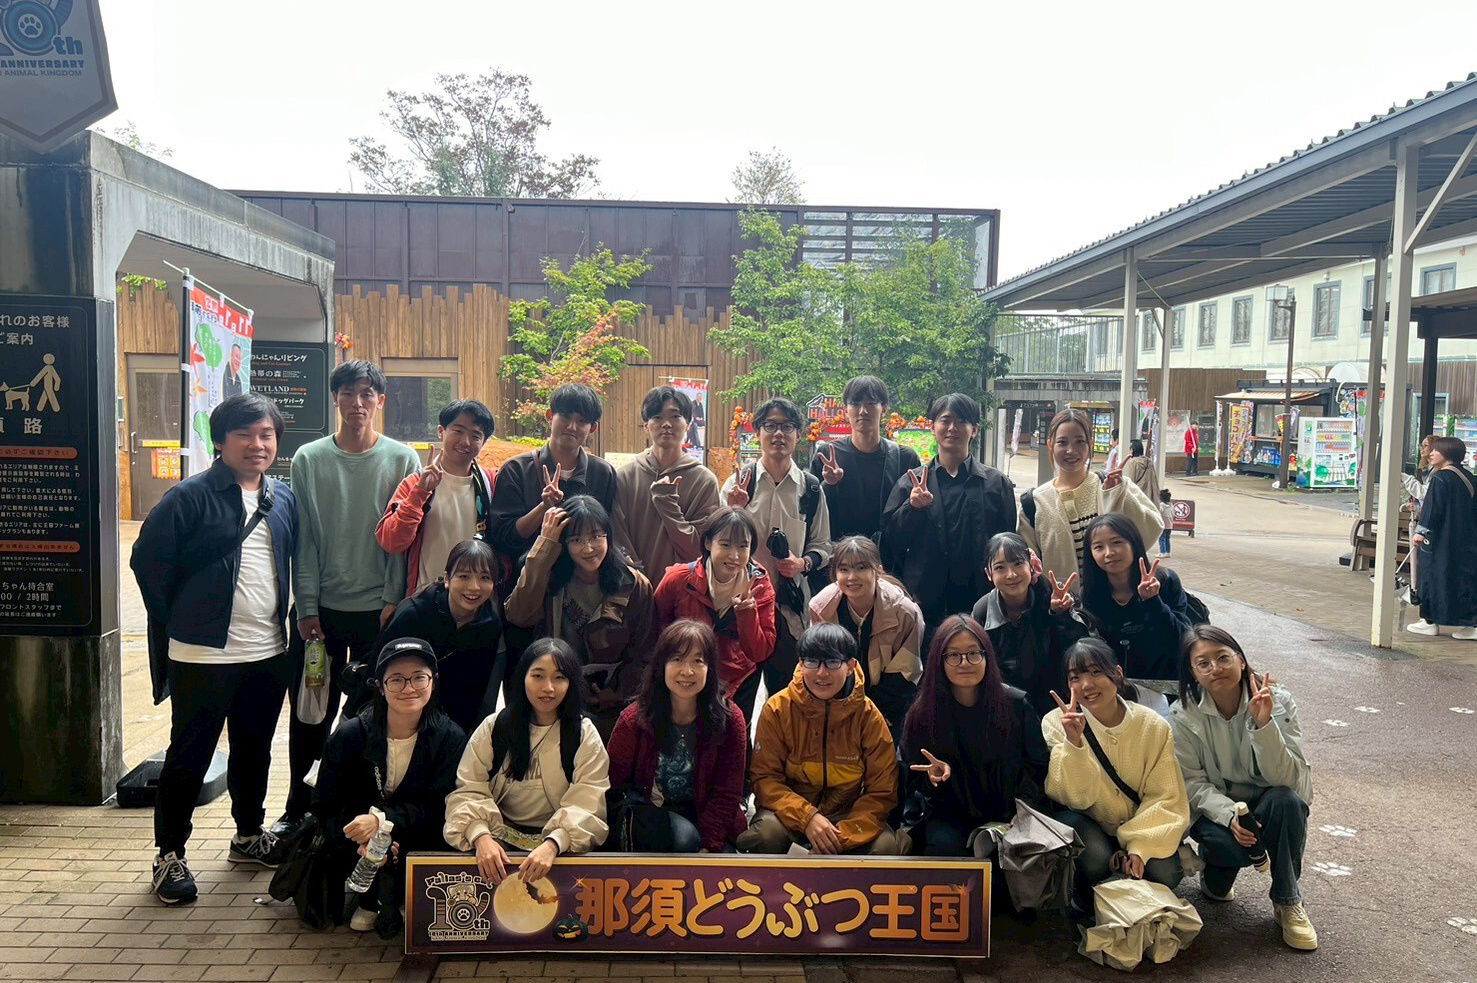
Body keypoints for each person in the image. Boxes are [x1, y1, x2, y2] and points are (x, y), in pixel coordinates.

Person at [130, 394, 298, 904]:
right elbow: (147, 561)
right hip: (202, 655)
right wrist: (183, 618)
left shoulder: (282, 497)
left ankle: (248, 835)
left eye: (266, 434)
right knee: (190, 756)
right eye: (244, 434)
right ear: (220, 441)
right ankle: (169, 854)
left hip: (267, 649)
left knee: (255, 750)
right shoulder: (189, 496)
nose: (257, 444)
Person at [278, 360, 420, 840]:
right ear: (334, 398)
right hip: (320, 613)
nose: (357, 403)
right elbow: (304, 539)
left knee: (367, 715)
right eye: (347, 393)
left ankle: (351, 808)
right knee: (309, 713)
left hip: (378, 612)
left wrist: (393, 599)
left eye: (366, 394)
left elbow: (403, 539)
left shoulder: (402, 459)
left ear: (380, 401)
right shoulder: (308, 459)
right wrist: (307, 606)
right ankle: (297, 807)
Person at [1171, 626, 1317, 950]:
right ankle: (1216, 873)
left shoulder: (1278, 701)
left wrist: (1263, 725)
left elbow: (1288, 779)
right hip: (1220, 807)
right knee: (1220, 879)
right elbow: (1192, 783)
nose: (1215, 668)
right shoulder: (1183, 714)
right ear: (1193, 673)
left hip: (1268, 799)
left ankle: (1288, 901)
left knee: (1288, 802)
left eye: (1223, 657)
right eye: (1203, 663)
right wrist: (1230, 816)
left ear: (1240, 660)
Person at [313, 638, 467, 933]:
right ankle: (369, 896)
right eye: (396, 679)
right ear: (380, 687)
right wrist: (360, 836)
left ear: (434, 681)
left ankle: (402, 893)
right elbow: (324, 803)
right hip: (359, 838)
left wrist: (382, 821)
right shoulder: (350, 735)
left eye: (419, 677)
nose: (409, 688)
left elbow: (439, 804)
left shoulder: (450, 737)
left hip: (417, 833)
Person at [444, 639, 611, 885]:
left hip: (559, 841)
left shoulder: (583, 734)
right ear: (523, 677)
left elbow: (589, 801)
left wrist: (554, 843)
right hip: (499, 835)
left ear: (571, 683)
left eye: (559, 678)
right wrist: (480, 836)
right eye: (538, 676)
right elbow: (468, 789)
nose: (548, 688)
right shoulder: (495, 727)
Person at [1043, 639, 1190, 914]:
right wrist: (1074, 744)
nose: (1087, 684)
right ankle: (1085, 896)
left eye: (1096, 672)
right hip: (1089, 823)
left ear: (1118, 674)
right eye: (1075, 677)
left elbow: (1166, 796)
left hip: (1142, 822)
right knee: (1094, 858)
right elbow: (1075, 798)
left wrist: (1139, 846)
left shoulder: (1152, 725)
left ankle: (1134, 898)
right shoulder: (1055, 722)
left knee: (1167, 873)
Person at [739, 624, 901, 855]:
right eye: (812, 662)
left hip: (847, 816)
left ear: (850, 666)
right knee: (765, 834)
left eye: (832, 662)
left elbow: (882, 791)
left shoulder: (869, 716)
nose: (822, 673)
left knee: (886, 847)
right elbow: (764, 779)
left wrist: (841, 837)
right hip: (790, 814)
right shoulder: (778, 709)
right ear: (800, 663)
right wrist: (807, 818)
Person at [503, 495, 657, 736]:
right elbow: (518, 615)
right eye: (576, 539)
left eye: (596, 536)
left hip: (611, 705)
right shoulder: (550, 577)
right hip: (554, 698)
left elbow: (645, 652)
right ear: (563, 543)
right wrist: (545, 544)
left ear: (608, 535)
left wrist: (616, 693)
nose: (588, 548)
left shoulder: (634, 584)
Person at [901, 616, 1048, 859]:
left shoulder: (1017, 705)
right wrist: (931, 779)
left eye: (973, 653)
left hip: (1009, 814)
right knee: (943, 847)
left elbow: (1037, 765)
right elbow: (911, 774)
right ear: (939, 661)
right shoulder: (922, 714)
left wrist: (1025, 809)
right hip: (949, 815)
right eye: (953, 655)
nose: (965, 663)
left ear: (987, 656)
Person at [720, 397, 832, 712]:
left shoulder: (810, 488)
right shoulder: (739, 484)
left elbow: (824, 545)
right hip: (743, 605)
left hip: (788, 607)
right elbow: (716, 544)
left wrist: (802, 563)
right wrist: (733, 511)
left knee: (787, 701)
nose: (778, 433)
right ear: (758, 432)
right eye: (770, 426)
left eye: (787, 426)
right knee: (735, 699)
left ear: (798, 434)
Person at [880, 393, 1016, 648]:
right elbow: (890, 542)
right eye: (945, 420)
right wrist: (912, 507)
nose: (953, 427)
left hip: (983, 603)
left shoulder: (996, 484)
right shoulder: (911, 482)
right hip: (926, 604)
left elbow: (1008, 543)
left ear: (974, 430)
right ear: (933, 427)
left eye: (962, 421)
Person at [605, 620, 749, 852]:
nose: (687, 671)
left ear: (710, 668)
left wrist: (708, 844)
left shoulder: (730, 720)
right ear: (661, 665)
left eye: (698, 661)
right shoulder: (633, 720)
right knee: (683, 839)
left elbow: (727, 792)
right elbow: (612, 786)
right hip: (651, 822)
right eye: (677, 659)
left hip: (711, 822)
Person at [653, 507, 777, 728]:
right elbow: (654, 627)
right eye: (726, 544)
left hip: (738, 680)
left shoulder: (759, 585)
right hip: (687, 675)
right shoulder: (679, 579)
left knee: (733, 737)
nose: (735, 556)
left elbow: (760, 652)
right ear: (709, 543)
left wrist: (747, 613)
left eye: (743, 546)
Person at [1018, 409, 1161, 600]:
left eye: (1079, 441)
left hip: (1120, 605)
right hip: (1062, 610)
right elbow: (1029, 567)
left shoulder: (1112, 484)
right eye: (1062, 442)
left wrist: (1119, 495)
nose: (1071, 450)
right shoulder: (1033, 504)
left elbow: (1152, 528)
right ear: (1050, 445)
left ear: (1090, 445)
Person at [488, 383, 616, 589]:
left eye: (581, 421)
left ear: (593, 428)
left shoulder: (602, 473)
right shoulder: (516, 470)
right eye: (565, 417)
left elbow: (608, 533)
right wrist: (543, 508)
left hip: (584, 588)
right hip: (528, 587)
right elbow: (502, 537)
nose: (572, 427)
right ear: (549, 416)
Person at [375, 540, 504, 733]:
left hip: (450, 726)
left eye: (485, 577)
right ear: (447, 579)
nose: (474, 587)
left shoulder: (490, 624)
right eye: (464, 576)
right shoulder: (413, 614)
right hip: (399, 713)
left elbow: (475, 692)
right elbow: (377, 671)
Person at [376, 399, 496, 596]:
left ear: (483, 442)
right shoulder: (415, 483)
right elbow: (391, 542)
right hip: (424, 599)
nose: (465, 442)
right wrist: (420, 493)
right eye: (458, 431)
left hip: (475, 598)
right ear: (441, 432)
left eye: (475, 435)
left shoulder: (490, 483)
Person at [808, 535, 923, 739]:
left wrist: (872, 714)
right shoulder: (821, 608)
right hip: (837, 705)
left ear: (878, 571)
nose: (852, 577)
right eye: (844, 569)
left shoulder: (905, 612)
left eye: (861, 568)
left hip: (889, 708)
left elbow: (906, 671)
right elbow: (819, 667)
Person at [969, 532, 1089, 718]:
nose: (1011, 574)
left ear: (1031, 566)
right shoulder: (982, 611)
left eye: (1018, 563)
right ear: (989, 574)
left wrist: (1061, 614)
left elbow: (1079, 648)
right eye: (1000, 567)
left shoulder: (1052, 596)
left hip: (1056, 700)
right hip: (1006, 705)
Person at [613, 385, 721, 577]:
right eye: (657, 417)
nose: (666, 424)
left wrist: (667, 505)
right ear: (646, 426)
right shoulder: (624, 477)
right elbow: (617, 539)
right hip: (632, 587)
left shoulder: (704, 481)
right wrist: (636, 581)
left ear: (688, 424)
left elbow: (700, 549)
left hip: (683, 590)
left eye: (675, 416)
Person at [1078, 513, 1193, 684]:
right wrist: (1061, 615)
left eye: (1117, 542)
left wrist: (1153, 602)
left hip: (1168, 685)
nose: (1109, 553)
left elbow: (1183, 640)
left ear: (1134, 543)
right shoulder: (1091, 593)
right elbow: (1091, 647)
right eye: (1098, 547)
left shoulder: (1164, 581)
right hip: (1118, 687)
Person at [808, 376, 922, 542]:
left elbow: (912, 521)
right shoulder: (827, 455)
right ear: (845, 410)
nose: (863, 411)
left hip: (886, 555)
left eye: (871, 403)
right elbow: (812, 513)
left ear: (884, 410)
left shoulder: (905, 458)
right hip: (837, 553)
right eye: (855, 403)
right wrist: (829, 484)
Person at [1407, 435, 1477, 639]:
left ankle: (1429, 620)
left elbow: (1432, 510)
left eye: (1435, 450)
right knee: (1463, 578)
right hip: (1465, 538)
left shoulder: (1440, 478)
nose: (1430, 454)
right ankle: (1470, 624)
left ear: (1447, 453)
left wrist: (1420, 532)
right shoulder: (1468, 477)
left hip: (1439, 540)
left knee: (1431, 576)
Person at [1123, 438, 1160, 504]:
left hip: (1139, 495)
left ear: (1132, 450)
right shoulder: (1149, 461)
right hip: (1150, 494)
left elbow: (1132, 481)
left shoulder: (1133, 462)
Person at [1157, 488, 1174, 558]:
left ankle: (1162, 552)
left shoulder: (1161, 505)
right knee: (1167, 539)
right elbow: (1173, 514)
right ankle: (1168, 552)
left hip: (1163, 525)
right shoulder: (1171, 505)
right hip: (1170, 525)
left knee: (1161, 539)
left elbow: (1158, 512)